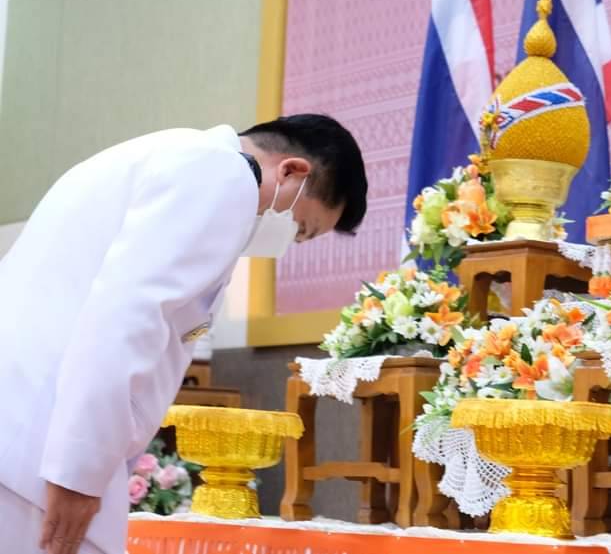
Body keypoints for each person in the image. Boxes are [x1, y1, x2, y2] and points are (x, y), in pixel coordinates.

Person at [0, 114, 368, 554]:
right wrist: (79, 471)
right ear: (291, 171)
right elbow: (126, 318)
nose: (286, 242)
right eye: (301, 228)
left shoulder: (168, 154)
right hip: (35, 447)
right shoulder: (222, 175)